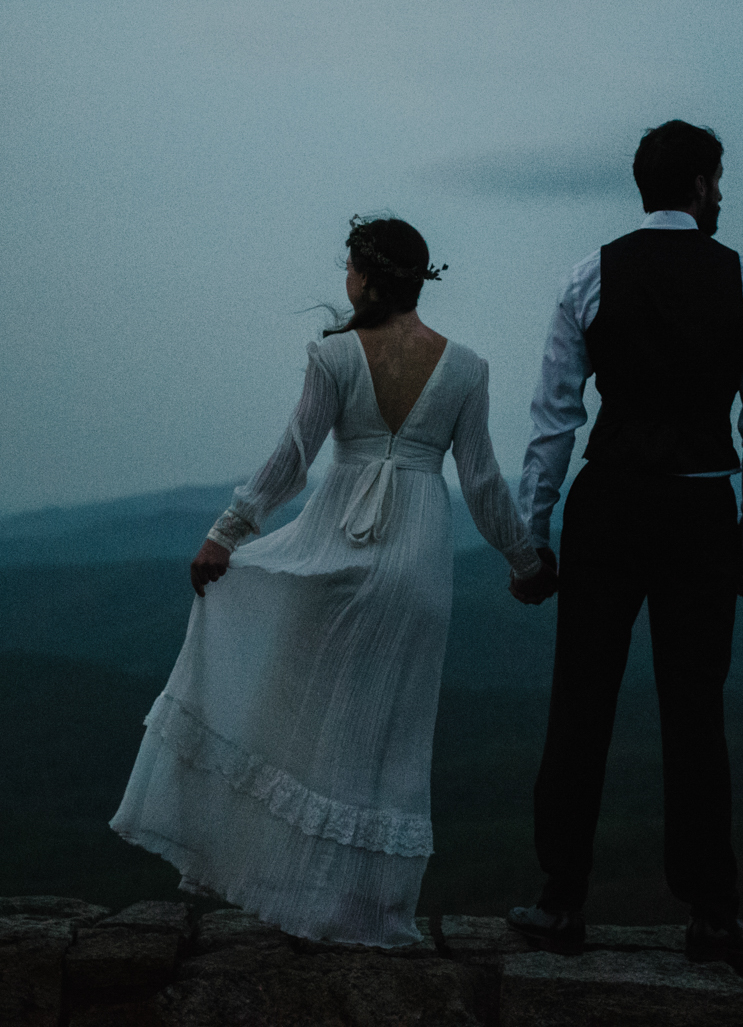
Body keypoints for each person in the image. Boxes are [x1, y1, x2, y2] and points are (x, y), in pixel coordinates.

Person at [110, 215, 543, 947]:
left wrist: (227, 532)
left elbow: (293, 458)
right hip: (417, 564)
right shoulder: (466, 367)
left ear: (369, 276)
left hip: (333, 547)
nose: (344, 278)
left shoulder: (335, 355)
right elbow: (480, 482)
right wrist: (527, 560)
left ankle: (298, 893)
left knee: (305, 719)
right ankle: (369, 910)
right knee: (389, 737)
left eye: (350, 265)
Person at [505, 120, 743, 969]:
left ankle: (561, 899)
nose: (721, 196)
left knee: (581, 697)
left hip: (611, 504)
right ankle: (709, 910)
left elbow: (554, 419)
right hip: (701, 505)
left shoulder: (588, 278)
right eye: (718, 180)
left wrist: (534, 539)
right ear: (699, 184)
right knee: (694, 708)